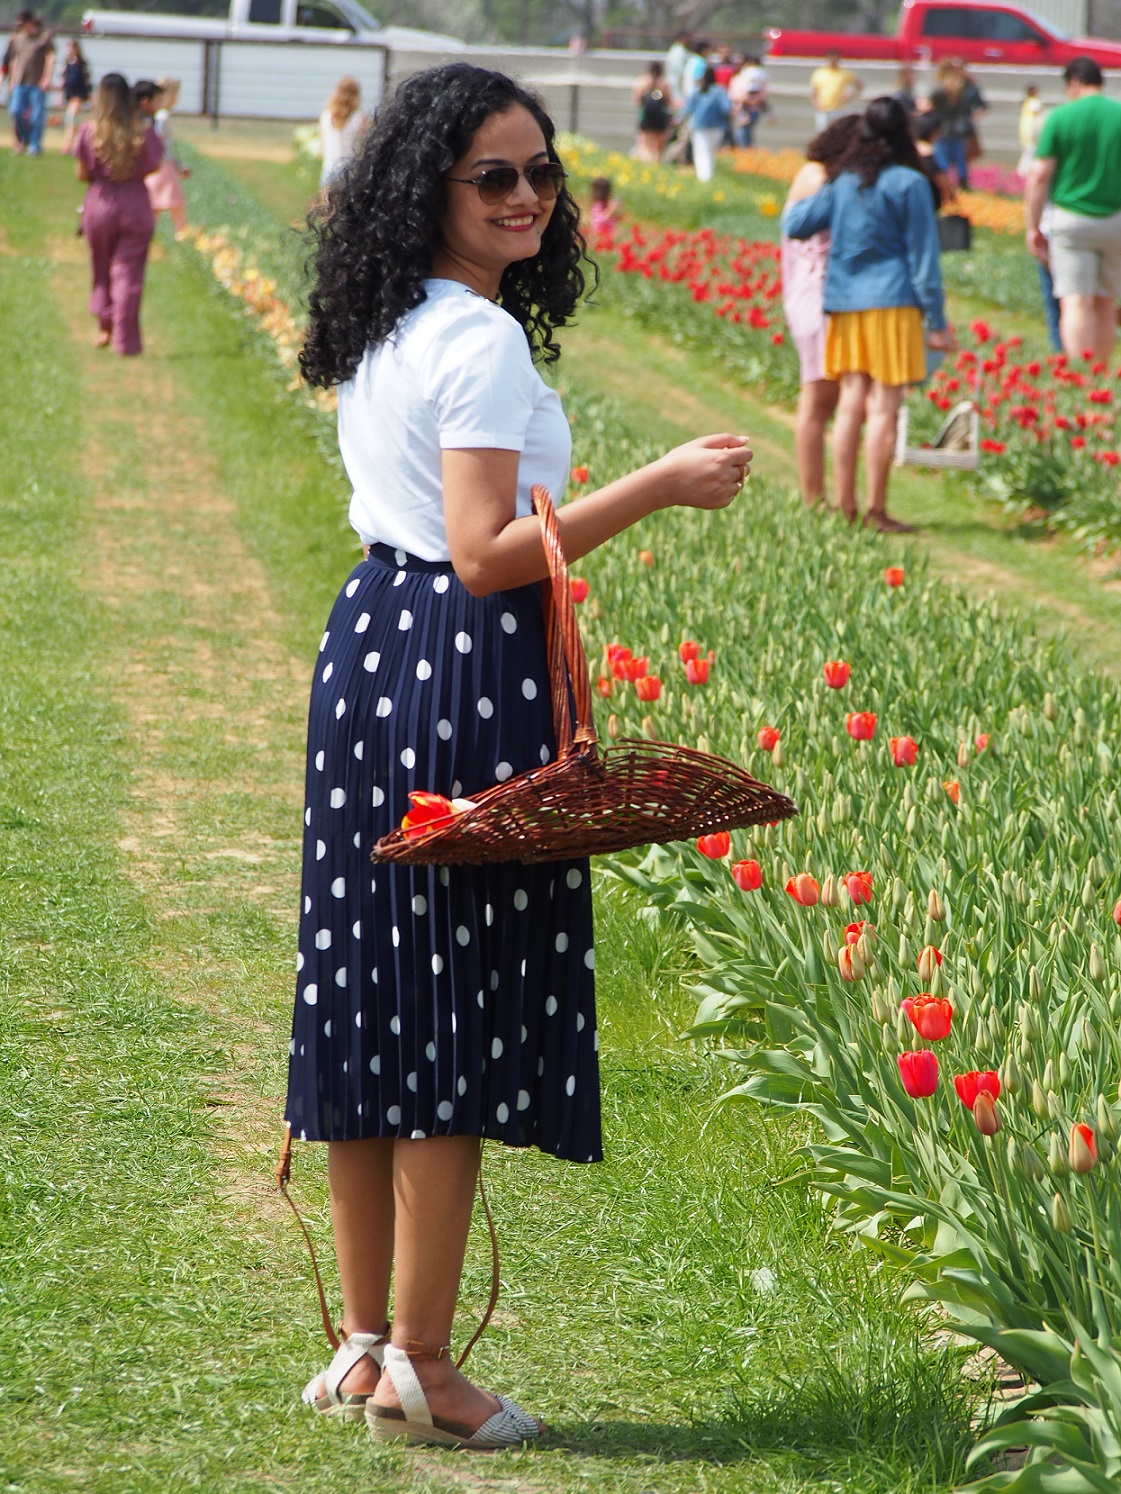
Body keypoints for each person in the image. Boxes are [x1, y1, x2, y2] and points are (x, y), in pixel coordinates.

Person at [292, 60, 751, 1450]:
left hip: (371, 638)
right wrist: (659, 483)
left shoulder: (390, 316)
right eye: (494, 175)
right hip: (456, 656)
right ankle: (427, 1366)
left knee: (369, 991)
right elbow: (492, 554)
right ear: (429, 186)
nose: (527, 196)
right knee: (443, 1008)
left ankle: (367, 1341)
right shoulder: (480, 343)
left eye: (541, 172)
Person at [783, 97, 951, 532]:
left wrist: (830, 186)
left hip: (844, 302)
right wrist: (936, 319)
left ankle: (845, 505)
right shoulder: (909, 184)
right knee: (884, 410)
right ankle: (877, 509)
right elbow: (924, 260)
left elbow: (796, 224)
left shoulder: (842, 183)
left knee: (851, 405)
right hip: (893, 302)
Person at [781, 114, 861, 508]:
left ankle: (820, 496)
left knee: (823, 399)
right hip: (818, 296)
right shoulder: (821, 179)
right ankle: (814, 497)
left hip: (808, 293)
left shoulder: (810, 173)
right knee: (819, 399)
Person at [1025, 56, 1121, 363]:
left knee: (1075, 301)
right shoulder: (1118, 115)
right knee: (1105, 302)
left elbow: (1040, 176)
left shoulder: (1060, 118)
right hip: (1114, 219)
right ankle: (1102, 376)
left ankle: (1081, 378)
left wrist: (1033, 225)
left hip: (1072, 219)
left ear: (1074, 83)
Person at [74, 72, 163, 355]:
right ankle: (126, 341)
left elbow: (82, 173)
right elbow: (153, 165)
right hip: (135, 202)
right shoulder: (142, 131)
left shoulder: (90, 131)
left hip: (100, 201)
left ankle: (104, 325)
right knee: (128, 274)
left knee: (101, 268)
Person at [6, 9, 54, 156]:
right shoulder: (18, 39)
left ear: (30, 22)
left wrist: (46, 78)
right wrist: (12, 80)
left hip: (36, 83)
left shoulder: (43, 38)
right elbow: (14, 60)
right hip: (20, 82)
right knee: (16, 111)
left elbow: (50, 58)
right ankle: (24, 140)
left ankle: (34, 145)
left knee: (36, 116)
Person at [145, 78, 189, 234]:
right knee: (176, 203)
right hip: (163, 166)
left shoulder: (160, 115)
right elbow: (159, 142)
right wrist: (175, 165)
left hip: (160, 165)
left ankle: (147, 235)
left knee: (155, 205)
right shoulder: (163, 116)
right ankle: (182, 234)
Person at [928, 59, 975, 188]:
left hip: (941, 128)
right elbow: (974, 88)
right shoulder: (960, 88)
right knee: (960, 158)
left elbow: (932, 108)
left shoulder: (938, 89)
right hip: (958, 128)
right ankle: (963, 182)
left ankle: (944, 183)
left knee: (941, 157)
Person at [681, 65, 730, 183]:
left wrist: (678, 119)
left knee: (701, 152)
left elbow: (687, 108)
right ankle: (709, 176)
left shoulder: (697, 91)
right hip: (717, 127)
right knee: (711, 152)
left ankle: (704, 178)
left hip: (699, 126)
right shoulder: (719, 91)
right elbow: (727, 108)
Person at [319, 75, 364, 189]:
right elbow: (363, 149)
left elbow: (322, 149)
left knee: (326, 205)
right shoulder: (360, 119)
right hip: (350, 171)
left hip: (329, 169)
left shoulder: (326, 116)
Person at [631, 58, 672, 162]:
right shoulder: (664, 84)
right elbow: (668, 101)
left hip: (647, 117)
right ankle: (655, 162)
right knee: (658, 146)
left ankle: (648, 162)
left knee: (645, 143)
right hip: (660, 118)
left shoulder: (641, 82)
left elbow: (637, 100)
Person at [809, 53, 861, 133]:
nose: (833, 61)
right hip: (823, 109)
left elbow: (859, 85)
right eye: (831, 59)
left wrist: (850, 94)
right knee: (822, 133)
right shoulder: (820, 73)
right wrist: (816, 103)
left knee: (838, 133)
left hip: (838, 109)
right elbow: (813, 91)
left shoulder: (844, 73)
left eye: (835, 59)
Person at [729, 54, 768, 148]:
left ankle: (745, 151)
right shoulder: (739, 77)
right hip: (739, 108)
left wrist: (747, 101)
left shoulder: (751, 76)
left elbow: (753, 93)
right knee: (741, 132)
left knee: (744, 132)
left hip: (748, 109)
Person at [60, 39, 91, 153]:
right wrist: (61, 95)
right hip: (70, 94)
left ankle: (68, 145)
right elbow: (64, 81)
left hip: (79, 94)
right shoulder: (67, 64)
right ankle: (76, 143)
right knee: (70, 121)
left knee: (72, 117)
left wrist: (89, 96)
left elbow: (87, 81)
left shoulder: (81, 64)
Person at [1018, 83, 1043, 178]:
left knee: (1028, 151)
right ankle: (1023, 172)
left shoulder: (1026, 102)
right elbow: (1038, 114)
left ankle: (1023, 171)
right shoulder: (1034, 102)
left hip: (1025, 128)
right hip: (1031, 129)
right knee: (1031, 151)